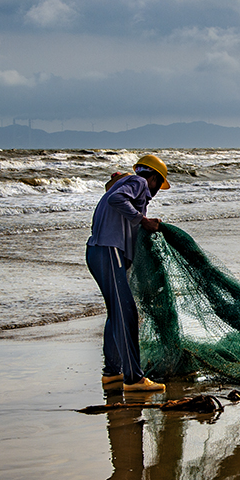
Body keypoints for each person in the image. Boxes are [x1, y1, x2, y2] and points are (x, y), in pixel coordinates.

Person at [86, 154, 170, 393]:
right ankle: (134, 378)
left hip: (98, 253)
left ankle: (112, 373)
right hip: (107, 251)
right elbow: (117, 199)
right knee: (127, 313)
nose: (154, 192)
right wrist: (142, 220)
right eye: (158, 185)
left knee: (116, 313)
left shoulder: (127, 183)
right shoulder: (139, 182)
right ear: (153, 177)